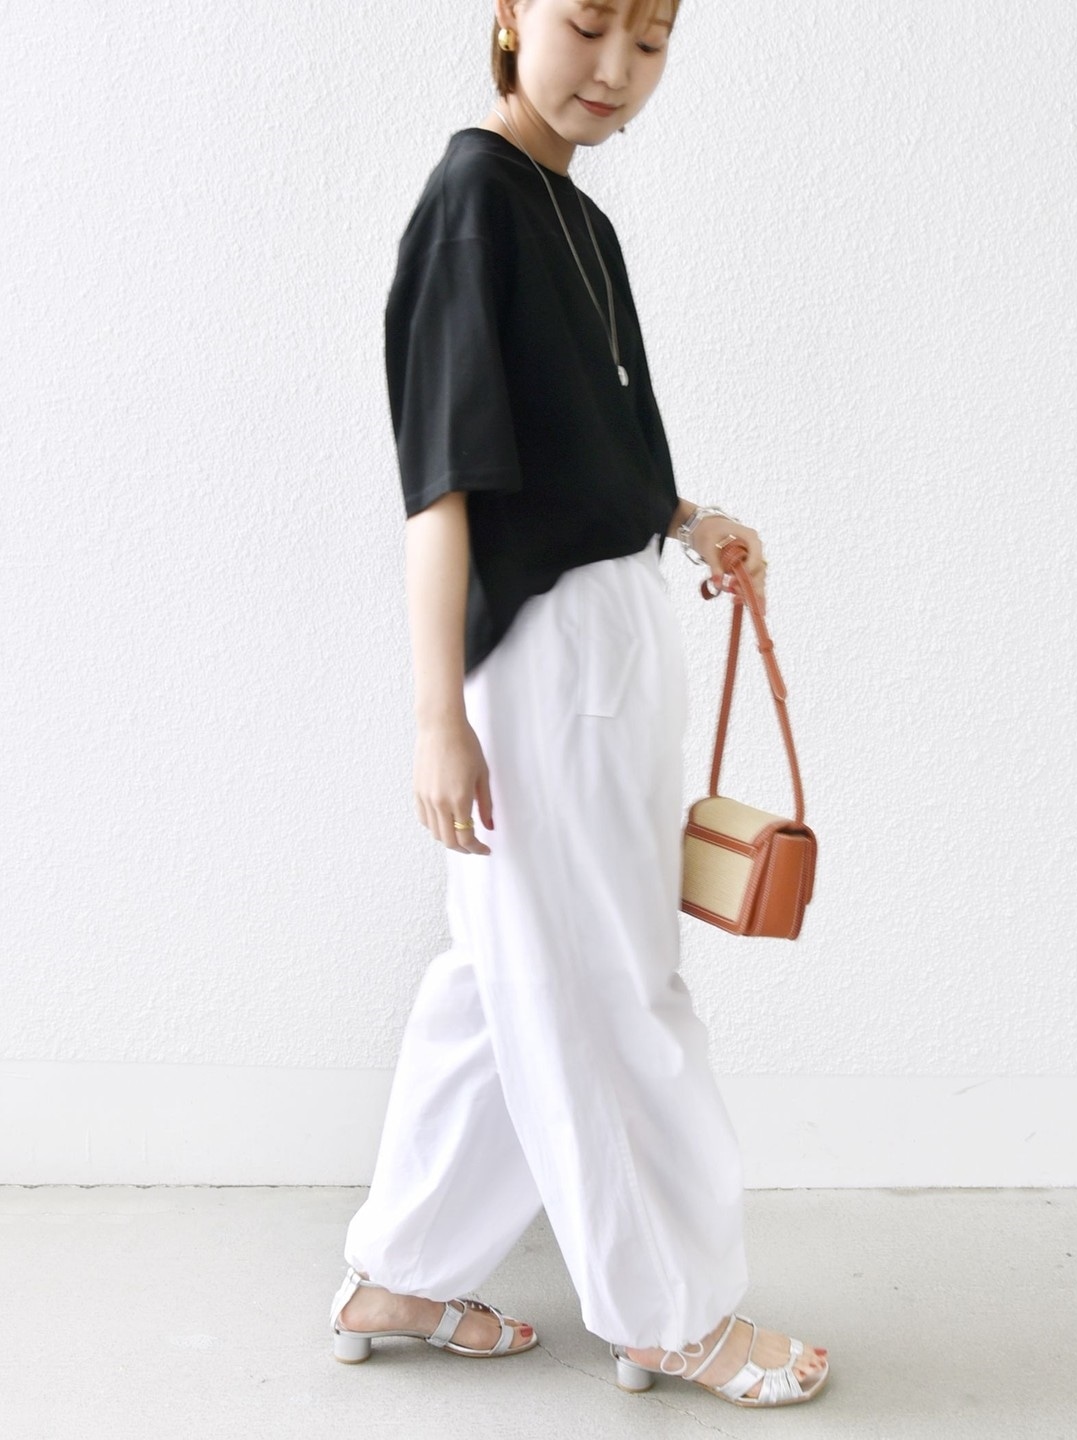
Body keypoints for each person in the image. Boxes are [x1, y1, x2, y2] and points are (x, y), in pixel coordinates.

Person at [327, 0, 830, 1410]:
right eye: (590, 22)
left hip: (603, 641)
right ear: (509, 13)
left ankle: (401, 1270)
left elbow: (583, 452)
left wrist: (687, 518)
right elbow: (442, 489)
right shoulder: (475, 203)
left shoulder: (572, 215)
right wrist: (437, 716)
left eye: (651, 40)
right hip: (546, 667)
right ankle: (673, 1312)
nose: (616, 69)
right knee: (607, 980)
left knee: (510, 974)